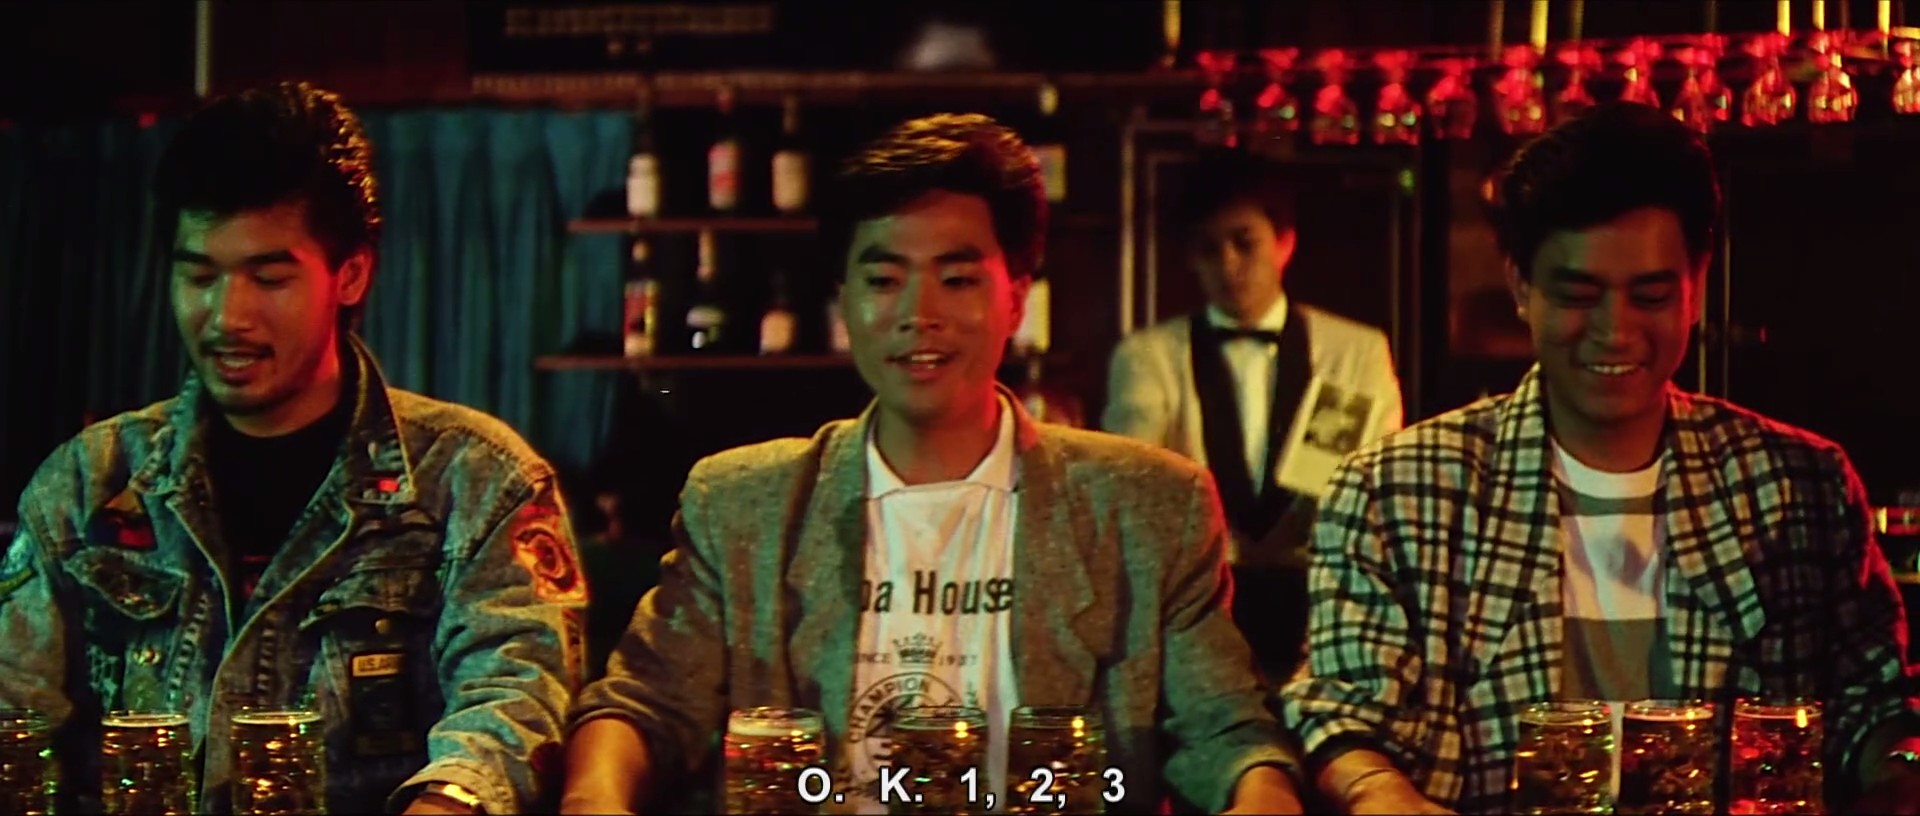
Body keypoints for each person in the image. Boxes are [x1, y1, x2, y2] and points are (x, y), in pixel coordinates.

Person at [561, 113, 1304, 815]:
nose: (920, 313)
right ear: (845, 303)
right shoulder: (744, 506)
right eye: (884, 281)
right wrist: (593, 799)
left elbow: (1227, 733)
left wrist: (1262, 795)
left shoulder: (1145, 506)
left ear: (1016, 299)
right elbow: (644, 706)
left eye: (957, 279)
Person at [1279, 101, 1920, 815]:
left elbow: (1873, 704)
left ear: (1696, 287)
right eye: (1579, 295)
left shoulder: (1798, 486)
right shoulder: (1395, 491)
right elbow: (1341, 713)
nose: (1615, 331)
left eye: (1650, 296)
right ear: (1521, 287)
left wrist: (1897, 774)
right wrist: (1380, 794)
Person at [0, 82, 585, 815]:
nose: (227, 316)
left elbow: (513, 702)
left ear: (351, 275)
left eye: (269, 278)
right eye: (199, 276)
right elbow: (15, 708)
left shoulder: (475, 480)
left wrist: (446, 802)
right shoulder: (91, 482)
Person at [1102, 149, 1404, 683]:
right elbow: (1133, 490)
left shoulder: (1355, 351)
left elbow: (1377, 493)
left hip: (1325, 605)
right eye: (1208, 248)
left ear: (1284, 242)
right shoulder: (1148, 357)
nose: (1228, 265)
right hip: (1196, 610)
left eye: (1244, 242)